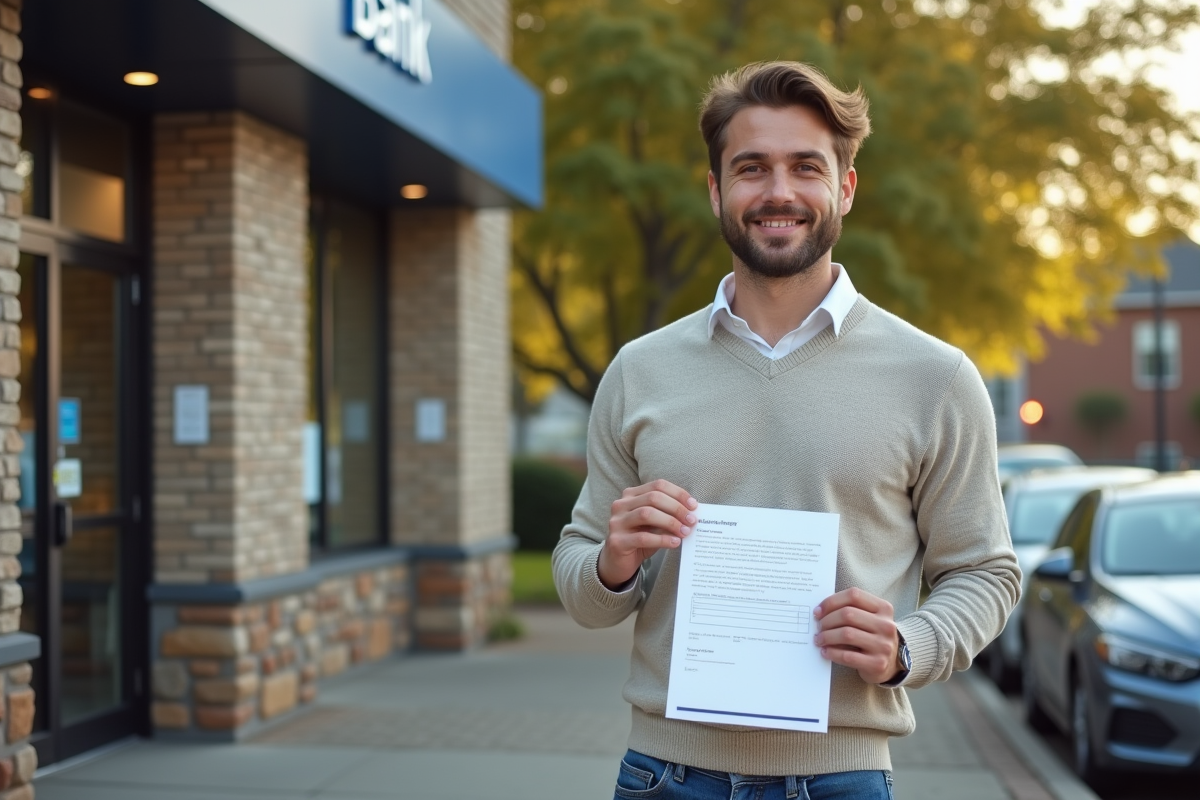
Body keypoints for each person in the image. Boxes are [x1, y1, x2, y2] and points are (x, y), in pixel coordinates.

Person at [552, 61, 1022, 800]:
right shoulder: (640, 371)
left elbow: (986, 573)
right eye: (751, 168)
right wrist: (612, 560)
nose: (778, 192)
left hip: (843, 777)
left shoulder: (936, 378)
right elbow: (580, 582)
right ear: (716, 190)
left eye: (806, 167)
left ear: (845, 188)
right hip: (664, 775)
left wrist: (909, 645)